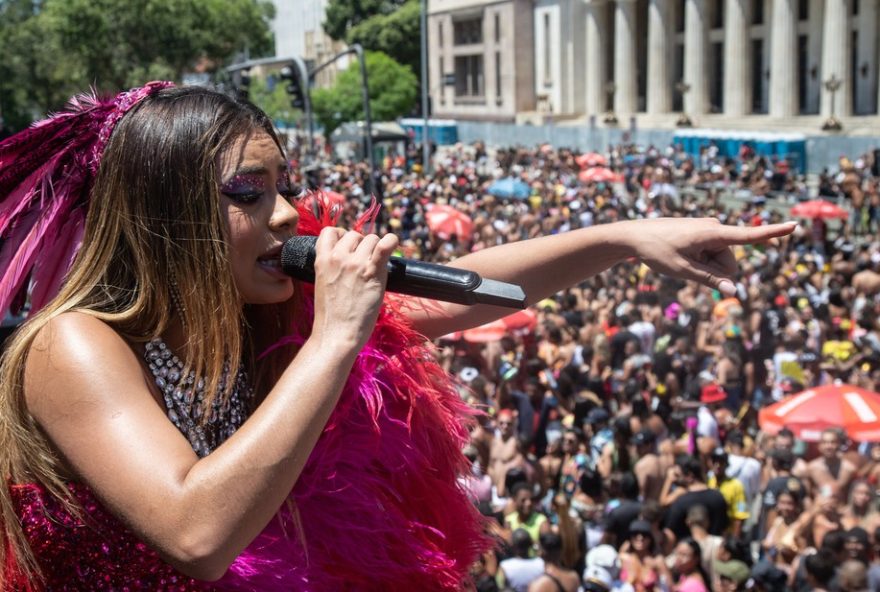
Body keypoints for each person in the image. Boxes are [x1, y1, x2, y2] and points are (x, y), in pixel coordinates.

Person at [0, 82, 797, 589]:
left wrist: (625, 237)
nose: (285, 213)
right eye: (248, 192)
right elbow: (194, 533)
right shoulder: (72, 345)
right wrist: (336, 337)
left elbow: (450, 297)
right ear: (165, 215)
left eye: (285, 184)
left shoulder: (257, 317)